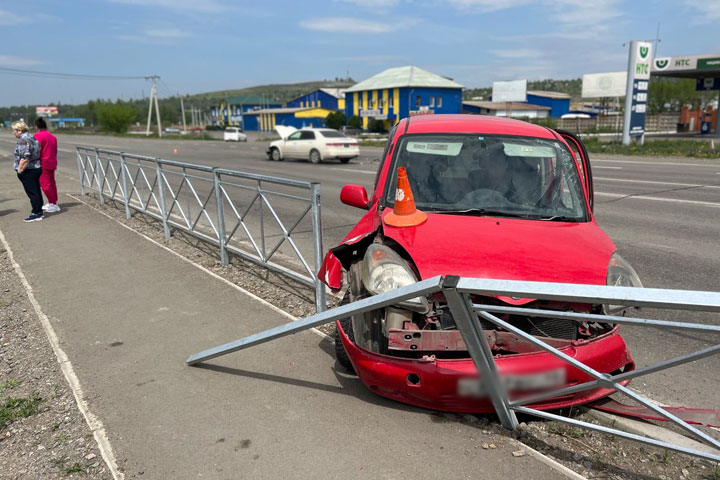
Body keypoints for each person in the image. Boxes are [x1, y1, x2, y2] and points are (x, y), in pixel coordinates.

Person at [12, 121, 43, 222]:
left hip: (28, 169)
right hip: (36, 167)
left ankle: (36, 213)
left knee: (32, 192)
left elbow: (25, 158)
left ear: (19, 130)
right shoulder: (31, 137)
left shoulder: (23, 140)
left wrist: (20, 171)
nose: (13, 133)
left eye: (14, 130)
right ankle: (39, 211)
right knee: (36, 190)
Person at [34, 118, 60, 212]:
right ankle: (53, 202)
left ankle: (53, 203)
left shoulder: (37, 136)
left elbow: (36, 150)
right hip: (52, 162)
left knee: (45, 184)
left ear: (36, 126)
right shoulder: (53, 136)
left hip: (43, 162)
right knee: (52, 183)